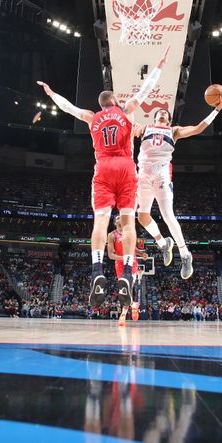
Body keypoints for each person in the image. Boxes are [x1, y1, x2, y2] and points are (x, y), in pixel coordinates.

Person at [37, 46, 169, 309]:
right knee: (129, 224)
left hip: (103, 168)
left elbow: (68, 108)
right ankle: (128, 274)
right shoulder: (127, 110)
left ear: (100, 104)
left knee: (100, 222)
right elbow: (146, 89)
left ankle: (98, 270)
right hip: (126, 167)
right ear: (116, 101)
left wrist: (51, 93)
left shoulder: (91, 117)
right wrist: (160, 64)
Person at [132, 92, 222, 279]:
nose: (162, 113)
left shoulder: (173, 131)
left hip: (161, 175)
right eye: (159, 113)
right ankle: (163, 244)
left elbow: (199, 128)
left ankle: (185, 254)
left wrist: (216, 110)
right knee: (142, 217)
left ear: (168, 121)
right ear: (154, 117)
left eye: (165, 114)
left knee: (168, 215)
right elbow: (129, 129)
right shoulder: (144, 128)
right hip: (142, 175)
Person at [106, 217, 148, 326]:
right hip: (120, 264)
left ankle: (123, 314)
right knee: (123, 291)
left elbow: (132, 249)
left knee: (127, 288)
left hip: (132, 263)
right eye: (118, 217)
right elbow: (111, 255)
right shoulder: (112, 235)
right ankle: (134, 305)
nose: (121, 218)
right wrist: (123, 258)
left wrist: (141, 254)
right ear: (115, 222)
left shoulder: (129, 232)